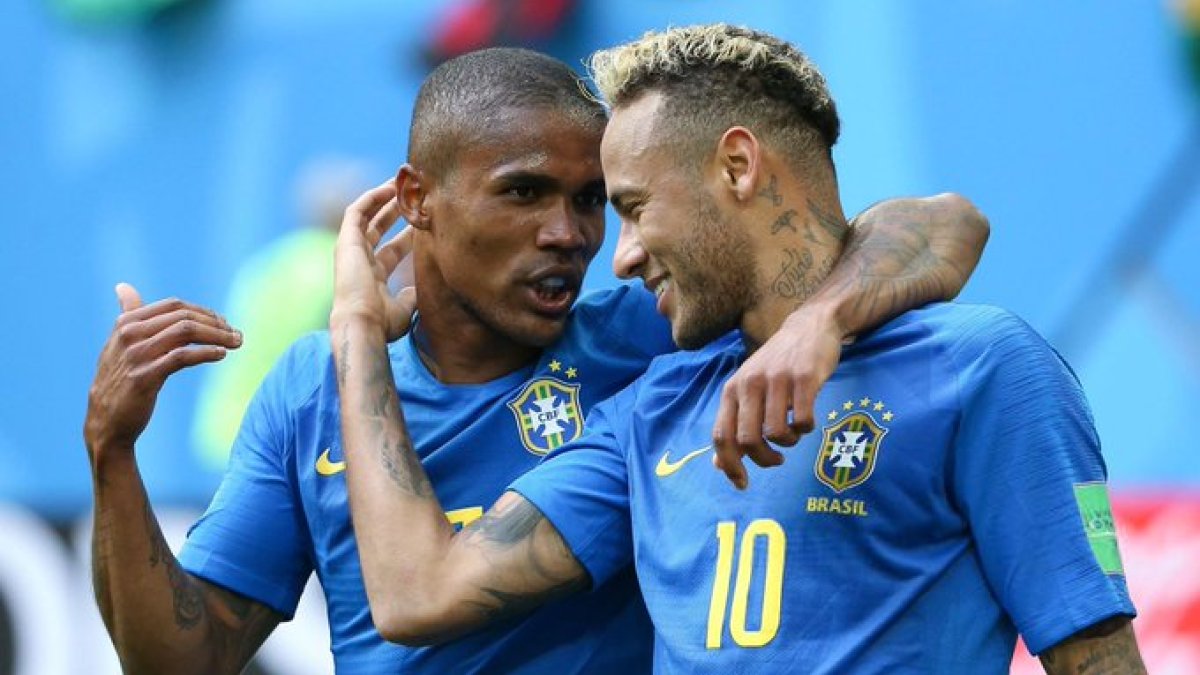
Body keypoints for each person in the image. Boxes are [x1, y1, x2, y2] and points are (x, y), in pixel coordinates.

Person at [83, 47, 988, 674]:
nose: (569, 236)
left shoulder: (647, 341)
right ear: (417, 200)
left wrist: (812, 323)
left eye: (592, 200)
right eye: (523, 193)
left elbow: (943, 222)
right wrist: (113, 458)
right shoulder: (311, 390)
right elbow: (186, 657)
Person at [331, 27, 1145, 674]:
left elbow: (1098, 659)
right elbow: (416, 593)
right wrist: (358, 330)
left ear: (737, 164)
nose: (617, 253)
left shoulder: (981, 368)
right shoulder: (653, 407)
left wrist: (815, 321)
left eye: (635, 207)